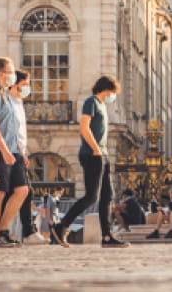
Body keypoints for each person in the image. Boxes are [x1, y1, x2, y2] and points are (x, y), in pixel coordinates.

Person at [54, 75, 126, 248]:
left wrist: (102, 152)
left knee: (107, 197)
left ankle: (107, 236)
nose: (113, 96)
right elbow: (83, 127)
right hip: (92, 153)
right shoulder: (91, 102)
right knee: (91, 196)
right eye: (112, 92)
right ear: (106, 90)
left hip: (103, 153)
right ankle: (62, 226)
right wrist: (95, 149)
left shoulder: (102, 105)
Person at [0, 66, 31, 247]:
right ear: (1, 74)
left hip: (13, 150)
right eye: (10, 72)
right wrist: (4, 150)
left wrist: (19, 151)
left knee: (22, 190)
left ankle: (3, 230)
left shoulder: (6, 98)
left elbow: (12, 130)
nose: (12, 75)